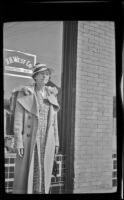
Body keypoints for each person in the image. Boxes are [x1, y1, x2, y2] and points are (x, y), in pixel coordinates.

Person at [13, 63, 60, 194]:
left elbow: (54, 122)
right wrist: (19, 142)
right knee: (30, 170)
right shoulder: (25, 94)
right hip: (31, 138)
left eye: (47, 73)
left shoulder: (51, 95)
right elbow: (18, 120)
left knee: (44, 169)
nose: (46, 76)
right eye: (42, 73)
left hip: (47, 137)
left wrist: (56, 140)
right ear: (35, 76)